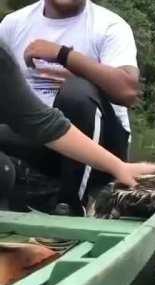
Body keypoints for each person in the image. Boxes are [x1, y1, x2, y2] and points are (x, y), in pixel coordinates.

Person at [0, 0, 140, 214]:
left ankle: (73, 206)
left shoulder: (110, 26)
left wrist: (63, 55)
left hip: (101, 147)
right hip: (41, 136)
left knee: (76, 92)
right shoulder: (13, 24)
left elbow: (128, 91)